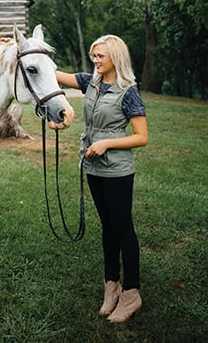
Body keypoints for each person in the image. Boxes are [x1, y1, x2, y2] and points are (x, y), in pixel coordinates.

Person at [53, 34, 148, 323]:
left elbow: (141, 137)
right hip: (93, 167)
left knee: (123, 228)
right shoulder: (89, 82)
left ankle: (131, 294)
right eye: (93, 56)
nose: (95, 60)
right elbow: (51, 73)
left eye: (100, 56)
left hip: (117, 170)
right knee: (108, 226)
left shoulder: (128, 91)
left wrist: (107, 143)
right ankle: (112, 286)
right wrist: (18, 51)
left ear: (115, 58)